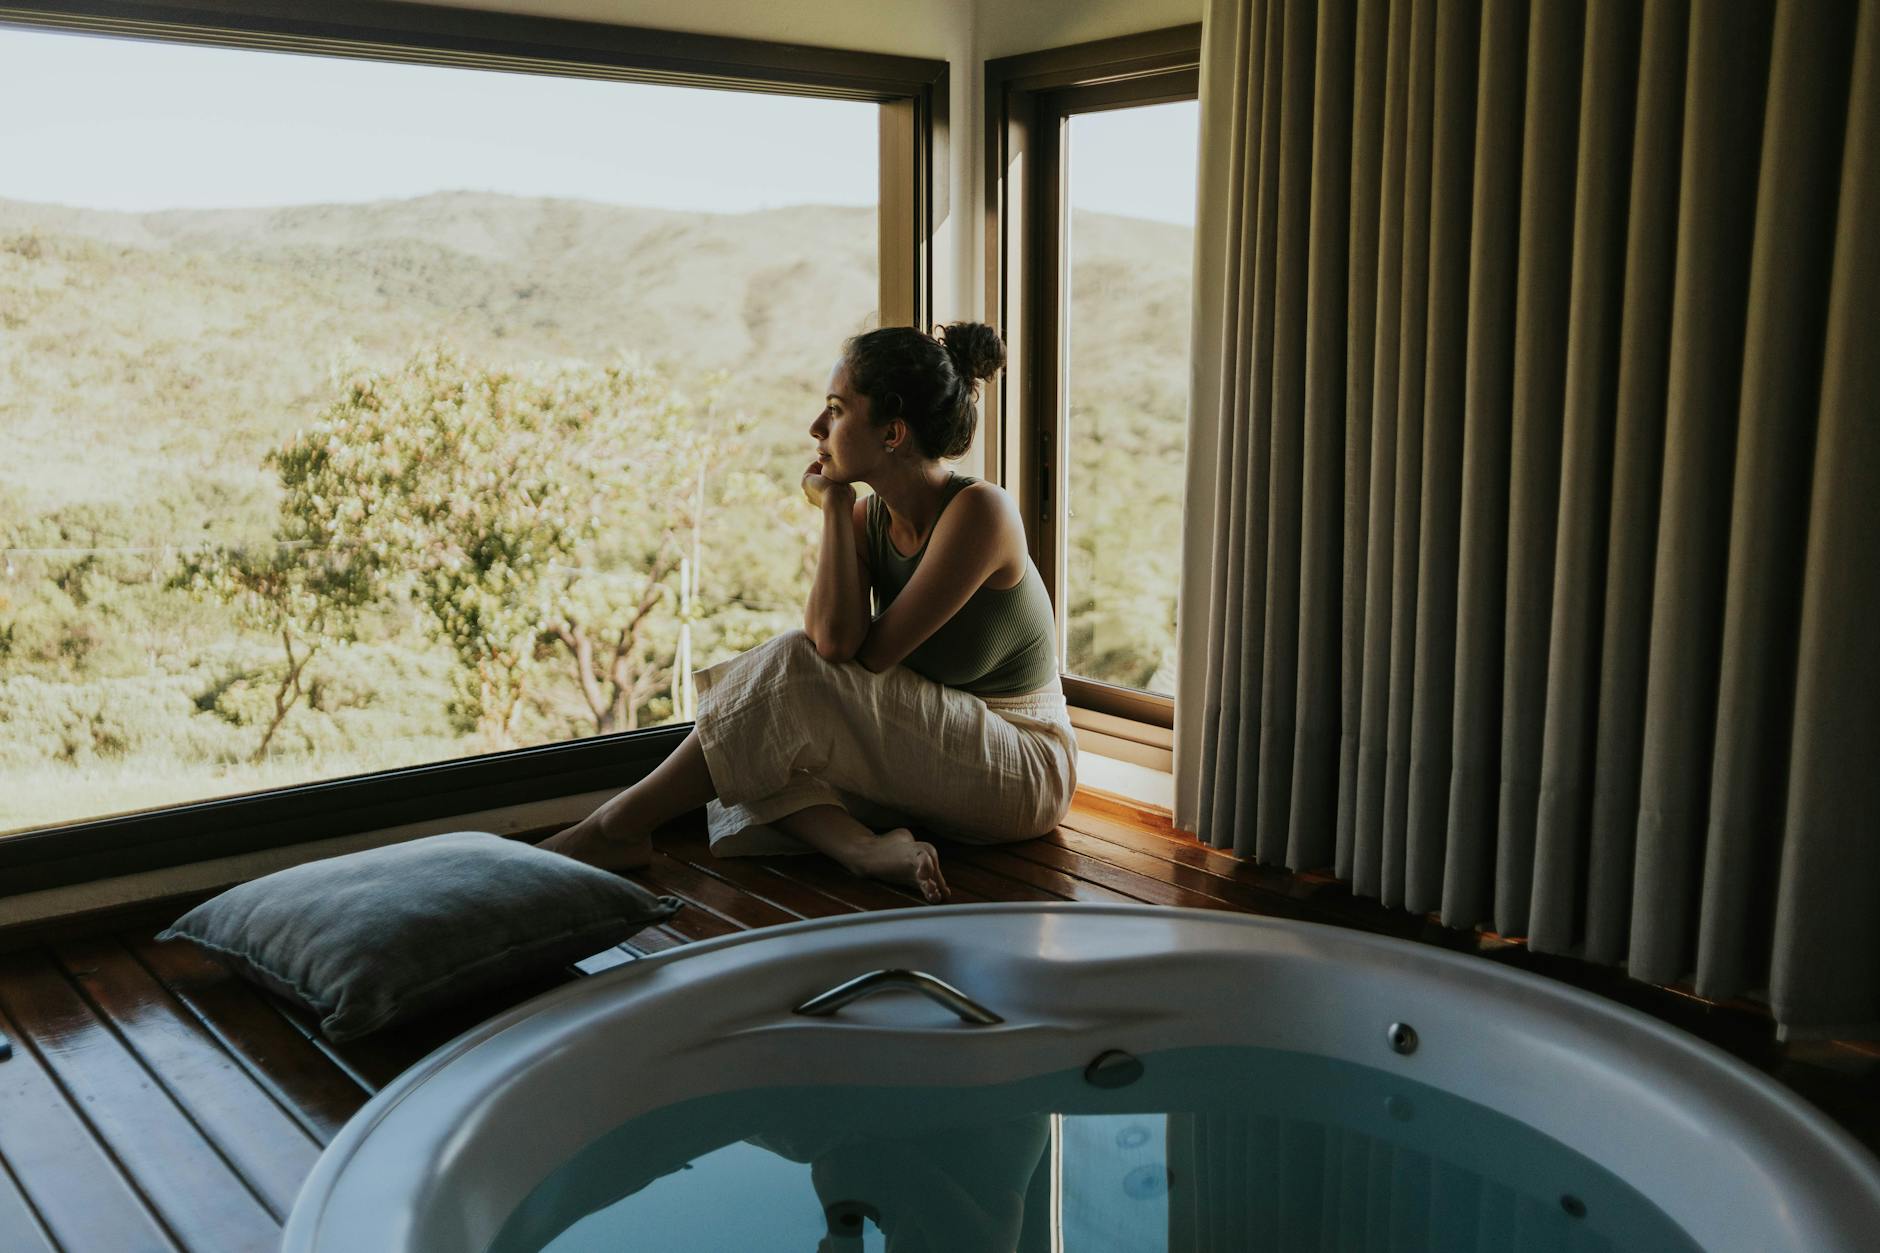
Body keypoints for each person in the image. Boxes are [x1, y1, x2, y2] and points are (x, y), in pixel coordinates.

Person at [539, 322, 1075, 902]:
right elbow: (833, 641)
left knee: (780, 691)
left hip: (1022, 761)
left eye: (837, 411)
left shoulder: (980, 512)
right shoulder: (866, 518)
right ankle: (863, 849)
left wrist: (835, 513)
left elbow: (858, 657)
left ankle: (610, 829)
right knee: (764, 739)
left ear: (892, 433)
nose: (817, 428)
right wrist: (837, 509)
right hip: (938, 742)